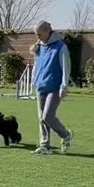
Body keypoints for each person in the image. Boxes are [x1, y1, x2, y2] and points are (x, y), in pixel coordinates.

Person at [29, 20, 73, 155]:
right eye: (36, 34)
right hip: (41, 86)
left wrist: (64, 86)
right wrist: (33, 82)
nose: (37, 37)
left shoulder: (60, 47)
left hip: (55, 87)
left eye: (39, 34)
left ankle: (65, 134)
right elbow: (36, 66)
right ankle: (44, 145)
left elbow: (66, 67)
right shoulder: (39, 47)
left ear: (47, 31)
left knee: (47, 116)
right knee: (41, 118)